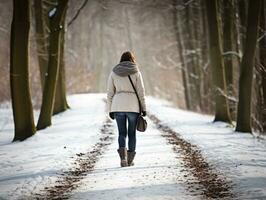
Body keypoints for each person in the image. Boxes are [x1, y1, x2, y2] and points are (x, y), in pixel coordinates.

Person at [107, 51, 146, 167]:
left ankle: (123, 159)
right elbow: (141, 92)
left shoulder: (114, 72)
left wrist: (110, 109)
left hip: (118, 106)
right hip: (133, 106)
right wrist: (144, 108)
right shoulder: (136, 72)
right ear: (132, 59)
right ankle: (130, 160)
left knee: (122, 133)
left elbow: (110, 92)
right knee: (132, 134)